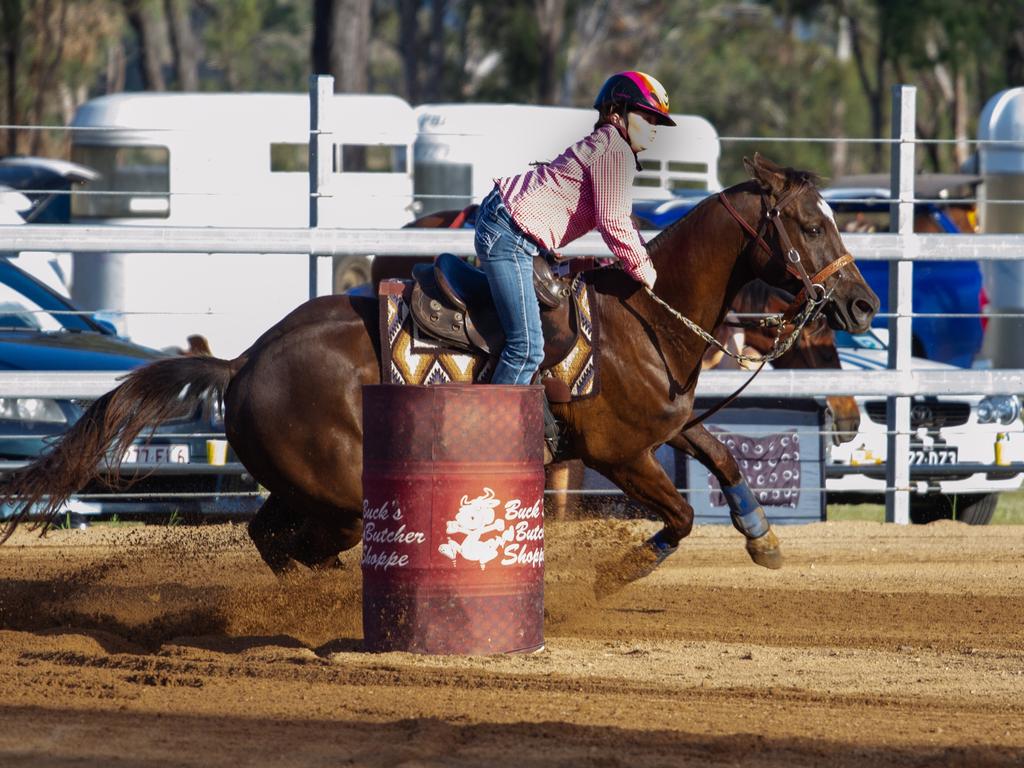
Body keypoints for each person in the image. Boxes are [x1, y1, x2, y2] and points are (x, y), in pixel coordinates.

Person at [475, 71, 675, 392]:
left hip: (506, 225)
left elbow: (618, 220)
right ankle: (492, 436)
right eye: (647, 117)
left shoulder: (607, 146)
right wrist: (646, 271)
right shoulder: (615, 149)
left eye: (657, 122)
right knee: (527, 349)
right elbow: (613, 221)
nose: (653, 129)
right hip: (510, 235)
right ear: (616, 113)